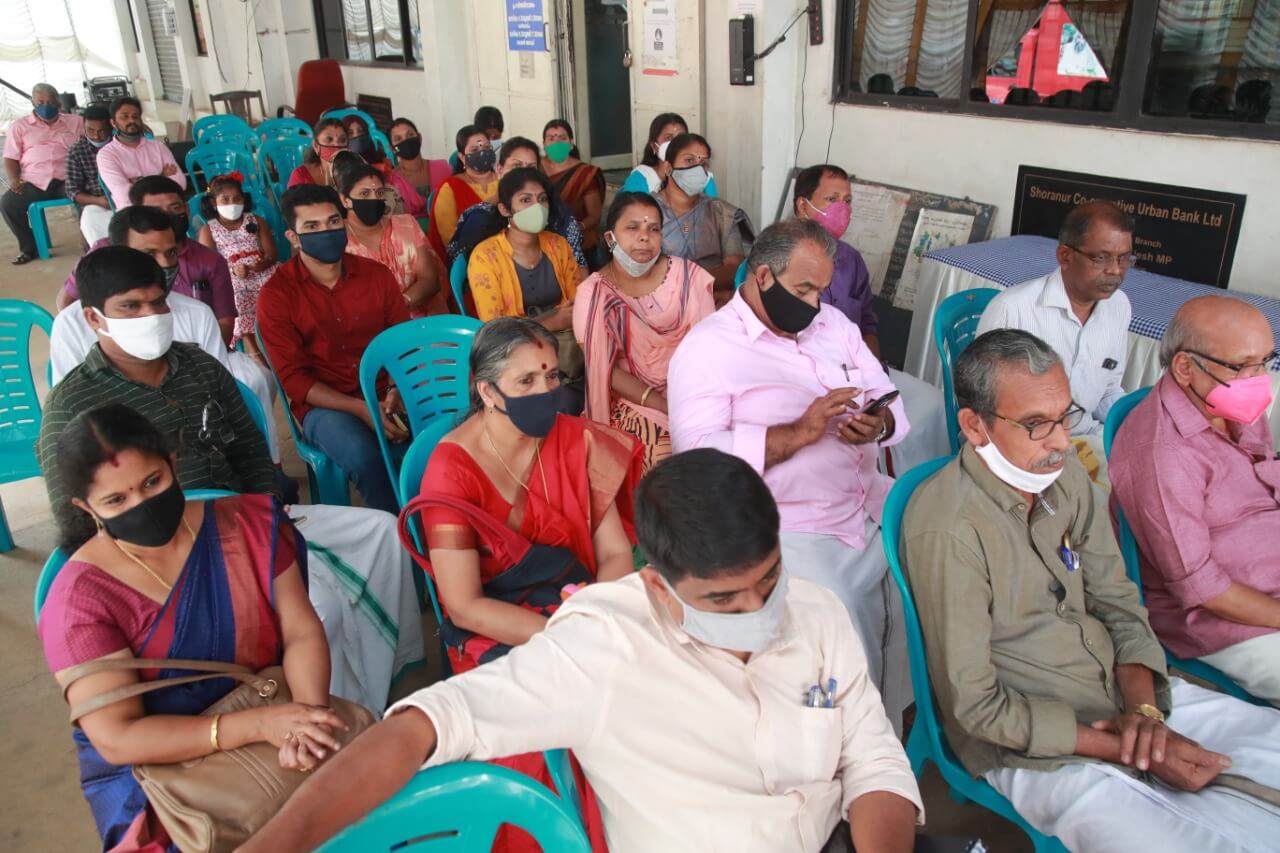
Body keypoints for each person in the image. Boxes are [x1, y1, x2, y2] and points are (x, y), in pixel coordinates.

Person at [243, 448, 924, 853]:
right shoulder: (605, 645)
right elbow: (426, 725)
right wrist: (275, 846)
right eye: (723, 600)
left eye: (769, 581)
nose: (759, 612)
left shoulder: (816, 611)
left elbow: (872, 757)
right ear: (657, 586)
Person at [902, 328, 1280, 851]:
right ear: (975, 426)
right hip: (1035, 741)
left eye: (1065, 416)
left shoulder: (1065, 480)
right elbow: (978, 709)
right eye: (1036, 424)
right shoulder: (950, 531)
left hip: (1125, 694)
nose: (1061, 441)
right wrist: (1128, 748)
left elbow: (1119, 602)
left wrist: (1144, 716)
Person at [39, 245, 425, 713]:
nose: (150, 316)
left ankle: (386, 678)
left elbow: (249, 449)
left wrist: (267, 519)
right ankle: (325, 715)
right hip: (159, 548)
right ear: (94, 318)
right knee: (320, 609)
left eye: (157, 303)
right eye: (130, 307)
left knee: (382, 531)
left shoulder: (198, 366)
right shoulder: (74, 404)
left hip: (241, 516)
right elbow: (75, 522)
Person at [38, 403, 343, 851]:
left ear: (172, 462)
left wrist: (307, 718)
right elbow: (118, 738)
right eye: (116, 500)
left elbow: (300, 630)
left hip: (274, 707)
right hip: (155, 771)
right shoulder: (79, 601)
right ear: (86, 508)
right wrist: (258, 726)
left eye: (152, 482)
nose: (142, 505)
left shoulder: (250, 525)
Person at [667, 219, 912, 729]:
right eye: (803, 290)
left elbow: (883, 394)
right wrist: (797, 433)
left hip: (868, 503)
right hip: (788, 525)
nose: (815, 305)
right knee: (837, 614)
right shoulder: (708, 349)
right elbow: (698, 457)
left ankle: (897, 717)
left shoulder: (835, 327)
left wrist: (879, 423)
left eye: (821, 290)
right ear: (762, 277)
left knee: (932, 575)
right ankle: (839, 736)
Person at [1110, 296, 1280, 706]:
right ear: (1186, 367)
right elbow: (1205, 589)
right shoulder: (1163, 454)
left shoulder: (1228, 400)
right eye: (1242, 365)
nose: (1259, 378)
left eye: (1266, 361)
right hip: (1230, 621)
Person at [257, 184, 412, 515]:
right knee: (364, 456)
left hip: (387, 390)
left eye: (332, 222)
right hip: (325, 405)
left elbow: (400, 343)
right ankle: (402, 528)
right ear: (293, 237)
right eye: (312, 226)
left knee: (447, 428)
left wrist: (396, 389)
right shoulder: (277, 295)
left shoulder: (376, 276)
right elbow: (295, 381)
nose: (325, 232)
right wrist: (361, 409)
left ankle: (446, 515)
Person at [792, 163, 950, 473]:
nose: (842, 209)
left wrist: (873, 373)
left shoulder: (850, 259)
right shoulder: (782, 259)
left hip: (861, 369)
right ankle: (884, 482)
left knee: (933, 402)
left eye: (847, 201)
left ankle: (922, 485)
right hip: (814, 377)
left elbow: (868, 324)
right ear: (802, 205)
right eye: (831, 199)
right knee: (859, 428)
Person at [574, 192, 715, 471]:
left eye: (653, 229)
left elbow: (709, 347)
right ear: (610, 238)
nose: (644, 237)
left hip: (693, 389)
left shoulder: (687, 277)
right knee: (665, 456)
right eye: (632, 227)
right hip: (632, 399)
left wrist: (691, 399)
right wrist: (662, 404)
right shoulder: (594, 294)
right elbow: (604, 368)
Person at [976, 201, 1133, 442]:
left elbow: (1107, 392)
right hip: (1023, 443)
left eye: (1123, 259)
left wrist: (1136, 422)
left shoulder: (1119, 305)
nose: (1115, 270)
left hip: (1085, 437)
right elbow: (984, 407)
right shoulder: (1012, 310)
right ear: (1065, 256)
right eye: (1101, 258)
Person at [59, 177, 237, 345]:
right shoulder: (104, 254)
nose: (166, 216)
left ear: (187, 209)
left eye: (175, 208)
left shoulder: (210, 262)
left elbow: (225, 324)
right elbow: (68, 305)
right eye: (156, 211)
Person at [467, 168, 586, 403]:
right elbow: (496, 332)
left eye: (542, 199)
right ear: (504, 209)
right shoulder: (485, 257)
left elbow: (577, 304)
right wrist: (551, 322)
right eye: (525, 200)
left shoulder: (558, 245)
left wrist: (565, 320)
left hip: (565, 352)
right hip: (514, 357)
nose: (537, 207)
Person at [445, 135, 587, 271]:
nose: (523, 175)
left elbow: (578, 264)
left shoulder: (555, 211)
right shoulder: (478, 217)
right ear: (499, 170)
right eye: (516, 166)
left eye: (531, 168)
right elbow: (467, 274)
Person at [336, 161, 444, 316]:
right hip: (370, 325)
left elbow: (430, 280)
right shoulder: (338, 241)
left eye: (379, 193)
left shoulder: (406, 225)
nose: (373, 199)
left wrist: (399, 304)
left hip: (421, 320)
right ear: (345, 200)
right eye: (364, 194)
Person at [653, 133, 752, 297]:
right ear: (668, 168)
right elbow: (644, 271)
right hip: (664, 301)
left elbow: (735, 270)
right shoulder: (647, 211)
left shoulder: (722, 213)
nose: (697, 169)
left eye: (703, 163)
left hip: (714, 301)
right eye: (689, 160)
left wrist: (690, 284)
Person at [196, 172, 279, 357]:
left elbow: (272, 254)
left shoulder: (256, 221)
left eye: (237, 198)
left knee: (279, 289)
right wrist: (233, 270)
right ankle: (251, 344)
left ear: (244, 199)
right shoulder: (208, 230)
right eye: (225, 199)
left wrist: (260, 265)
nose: (232, 203)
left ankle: (280, 330)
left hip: (262, 270)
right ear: (214, 203)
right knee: (238, 299)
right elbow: (209, 267)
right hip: (231, 277)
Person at [2, 82, 83, 264]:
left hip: (68, 179)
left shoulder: (75, 122)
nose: (45, 106)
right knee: (8, 204)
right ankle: (29, 248)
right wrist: (14, 179)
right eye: (40, 102)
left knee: (89, 197)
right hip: (34, 181)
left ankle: (91, 242)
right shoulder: (19, 126)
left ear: (59, 103)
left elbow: (96, 136)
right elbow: (10, 157)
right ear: (33, 102)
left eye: (50, 102)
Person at [96, 97, 185, 210]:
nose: (131, 121)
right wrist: (161, 177)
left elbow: (180, 184)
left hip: (168, 210)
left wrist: (136, 181)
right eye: (124, 117)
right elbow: (124, 195)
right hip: (134, 213)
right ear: (113, 122)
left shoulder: (158, 147)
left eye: (135, 116)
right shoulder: (106, 155)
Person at [427, 124, 499, 261]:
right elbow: (451, 241)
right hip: (469, 259)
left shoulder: (505, 180)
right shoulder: (450, 187)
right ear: (462, 157)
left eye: (486, 147)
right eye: (475, 149)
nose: (482, 152)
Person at [338, 114, 425, 217]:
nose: (357, 137)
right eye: (350, 133)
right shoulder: (340, 173)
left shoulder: (384, 165)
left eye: (361, 131)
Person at [541, 119, 604, 260]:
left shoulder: (585, 174)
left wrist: (575, 228)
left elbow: (594, 215)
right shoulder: (535, 168)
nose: (556, 143)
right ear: (544, 144)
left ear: (571, 143)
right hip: (541, 240)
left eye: (562, 138)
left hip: (578, 243)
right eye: (551, 138)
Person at [620, 112, 719, 198]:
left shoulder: (702, 175)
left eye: (681, 137)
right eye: (668, 138)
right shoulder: (642, 177)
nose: (675, 143)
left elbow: (714, 209)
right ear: (654, 146)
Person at [63, 104, 115, 246]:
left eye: (102, 131)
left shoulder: (119, 146)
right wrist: (98, 201)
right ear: (84, 127)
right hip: (95, 203)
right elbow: (72, 190)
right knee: (95, 233)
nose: (96, 136)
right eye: (90, 131)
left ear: (111, 127)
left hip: (124, 198)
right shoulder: (77, 151)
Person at [389, 117, 450, 207]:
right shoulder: (392, 182)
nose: (405, 141)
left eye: (410, 135)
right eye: (398, 139)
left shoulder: (443, 168)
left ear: (419, 138)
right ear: (393, 149)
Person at [287, 117, 347, 188]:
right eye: (329, 139)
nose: (337, 144)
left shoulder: (353, 172)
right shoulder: (301, 175)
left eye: (342, 140)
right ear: (316, 146)